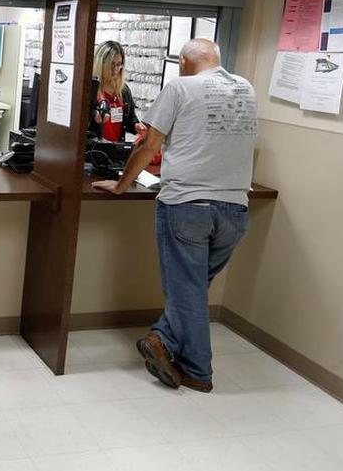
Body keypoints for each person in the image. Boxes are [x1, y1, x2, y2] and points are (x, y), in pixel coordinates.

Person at [92, 39, 257, 392]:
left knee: (187, 290)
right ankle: (160, 340)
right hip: (236, 210)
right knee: (192, 289)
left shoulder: (180, 86)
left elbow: (148, 144)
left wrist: (122, 185)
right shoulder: (245, 88)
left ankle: (198, 370)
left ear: (182, 61)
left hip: (187, 206)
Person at [88, 40, 145, 142]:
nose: (115, 69)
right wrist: (93, 116)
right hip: (94, 150)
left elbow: (131, 118)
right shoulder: (90, 89)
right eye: (112, 64)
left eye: (119, 64)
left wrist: (136, 125)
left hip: (116, 150)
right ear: (101, 63)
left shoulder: (123, 90)